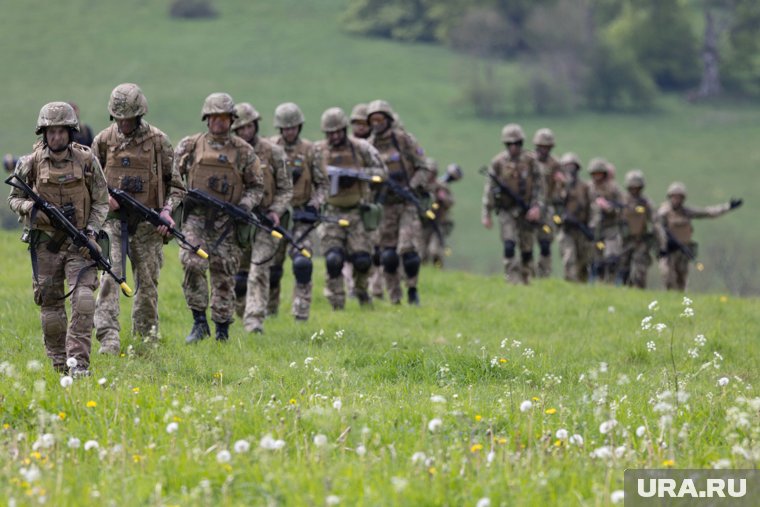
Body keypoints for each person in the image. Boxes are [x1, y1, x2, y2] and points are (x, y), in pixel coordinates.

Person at [7, 102, 108, 375]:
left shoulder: (87, 161)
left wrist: (91, 232)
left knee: (84, 300)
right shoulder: (30, 163)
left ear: (70, 132)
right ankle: (60, 365)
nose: (56, 137)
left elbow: (101, 201)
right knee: (51, 308)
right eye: (50, 132)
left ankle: (79, 365)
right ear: (44, 133)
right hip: (46, 245)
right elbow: (14, 198)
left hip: (80, 244)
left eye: (61, 131)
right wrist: (32, 209)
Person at [92, 83, 185, 354]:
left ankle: (145, 341)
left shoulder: (158, 142)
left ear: (139, 114)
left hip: (147, 225)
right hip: (112, 222)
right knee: (110, 277)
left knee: (147, 286)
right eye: (119, 117)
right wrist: (102, 199)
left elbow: (177, 186)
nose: (124, 123)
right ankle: (108, 340)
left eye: (128, 118)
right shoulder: (102, 141)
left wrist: (167, 212)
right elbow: (88, 181)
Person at [175, 93, 263, 343]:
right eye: (215, 117)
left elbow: (256, 186)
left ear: (232, 120)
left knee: (224, 273)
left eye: (224, 118)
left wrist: (245, 205)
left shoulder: (243, 151)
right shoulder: (190, 145)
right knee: (191, 263)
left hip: (227, 221)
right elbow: (171, 176)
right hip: (196, 218)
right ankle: (199, 321)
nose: (219, 122)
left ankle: (222, 329)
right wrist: (180, 199)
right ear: (207, 118)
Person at [315, 107, 387, 310]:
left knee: (363, 259)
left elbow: (382, 173)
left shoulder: (361, 148)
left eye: (338, 131)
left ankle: (362, 291)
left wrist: (356, 173)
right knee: (333, 259)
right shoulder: (318, 151)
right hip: (331, 212)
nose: (335, 136)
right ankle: (336, 302)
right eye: (330, 133)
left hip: (357, 211)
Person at [231, 102, 292, 334]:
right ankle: (239, 312)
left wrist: (276, 210)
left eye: (249, 127)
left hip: (266, 221)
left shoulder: (274, 152)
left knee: (259, 269)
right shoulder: (230, 152)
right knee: (239, 275)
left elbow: (286, 188)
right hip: (240, 221)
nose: (245, 132)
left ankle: (254, 320)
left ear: (256, 125)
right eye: (240, 128)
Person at [368, 99, 432, 305]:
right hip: (384, 206)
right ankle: (394, 297)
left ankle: (412, 290)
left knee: (408, 250)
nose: (376, 124)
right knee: (388, 256)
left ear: (388, 120)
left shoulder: (404, 140)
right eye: (373, 120)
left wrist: (411, 186)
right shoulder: (368, 147)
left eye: (380, 119)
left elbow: (423, 167)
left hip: (407, 204)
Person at [268, 102, 327, 321]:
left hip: (302, 216)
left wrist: (316, 203)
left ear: (299, 127)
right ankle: (269, 310)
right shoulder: (270, 148)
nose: (289, 131)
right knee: (272, 267)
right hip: (276, 216)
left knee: (302, 263)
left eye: (293, 127)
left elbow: (323, 184)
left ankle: (300, 314)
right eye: (285, 128)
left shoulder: (312, 151)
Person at [481, 123, 544, 285]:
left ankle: (527, 278)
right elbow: (490, 189)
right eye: (510, 144)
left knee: (527, 248)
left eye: (517, 143)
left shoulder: (531, 161)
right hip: (506, 210)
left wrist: (536, 206)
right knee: (509, 245)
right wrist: (486, 213)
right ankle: (512, 280)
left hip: (527, 210)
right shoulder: (498, 162)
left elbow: (540, 186)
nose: (514, 147)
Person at [656, 182, 742, 291]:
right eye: (674, 197)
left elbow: (708, 212)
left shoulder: (686, 212)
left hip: (683, 251)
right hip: (668, 251)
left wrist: (728, 207)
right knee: (668, 276)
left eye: (679, 197)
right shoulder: (663, 212)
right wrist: (663, 244)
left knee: (681, 280)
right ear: (670, 197)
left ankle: (680, 302)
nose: (677, 200)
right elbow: (657, 228)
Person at [618, 170, 660, 288]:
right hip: (624, 241)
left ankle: (638, 292)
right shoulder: (621, 202)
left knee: (639, 272)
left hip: (641, 241)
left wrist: (659, 241)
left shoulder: (646, 203)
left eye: (637, 187)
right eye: (632, 187)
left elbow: (655, 221)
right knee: (623, 270)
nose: (635, 190)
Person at [556, 153, 592, 283]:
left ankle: (582, 287)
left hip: (581, 229)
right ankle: (570, 285)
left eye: (572, 167)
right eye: (566, 167)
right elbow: (556, 203)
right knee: (569, 258)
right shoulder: (558, 186)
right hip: (566, 230)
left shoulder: (585, 187)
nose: (570, 170)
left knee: (582, 262)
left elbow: (590, 208)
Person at [532, 128, 563, 278]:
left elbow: (564, 189)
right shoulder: (529, 161)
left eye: (547, 147)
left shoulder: (556, 164)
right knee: (526, 242)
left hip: (547, 209)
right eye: (541, 146)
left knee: (545, 243)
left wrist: (561, 182)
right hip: (530, 207)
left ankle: (544, 274)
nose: (544, 150)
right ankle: (527, 273)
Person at [588, 157, 624, 284]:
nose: (597, 177)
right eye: (595, 174)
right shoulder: (588, 188)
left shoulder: (613, 188)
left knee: (611, 258)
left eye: (600, 173)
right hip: (595, 231)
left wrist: (609, 207)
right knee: (598, 263)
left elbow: (622, 207)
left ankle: (610, 284)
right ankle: (600, 285)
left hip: (611, 229)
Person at [420, 160, 460, 267]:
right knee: (422, 253)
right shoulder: (421, 186)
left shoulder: (441, 186)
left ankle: (438, 270)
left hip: (439, 222)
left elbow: (451, 202)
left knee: (435, 251)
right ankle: (424, 273)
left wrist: (443, 198)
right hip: (424, 223)